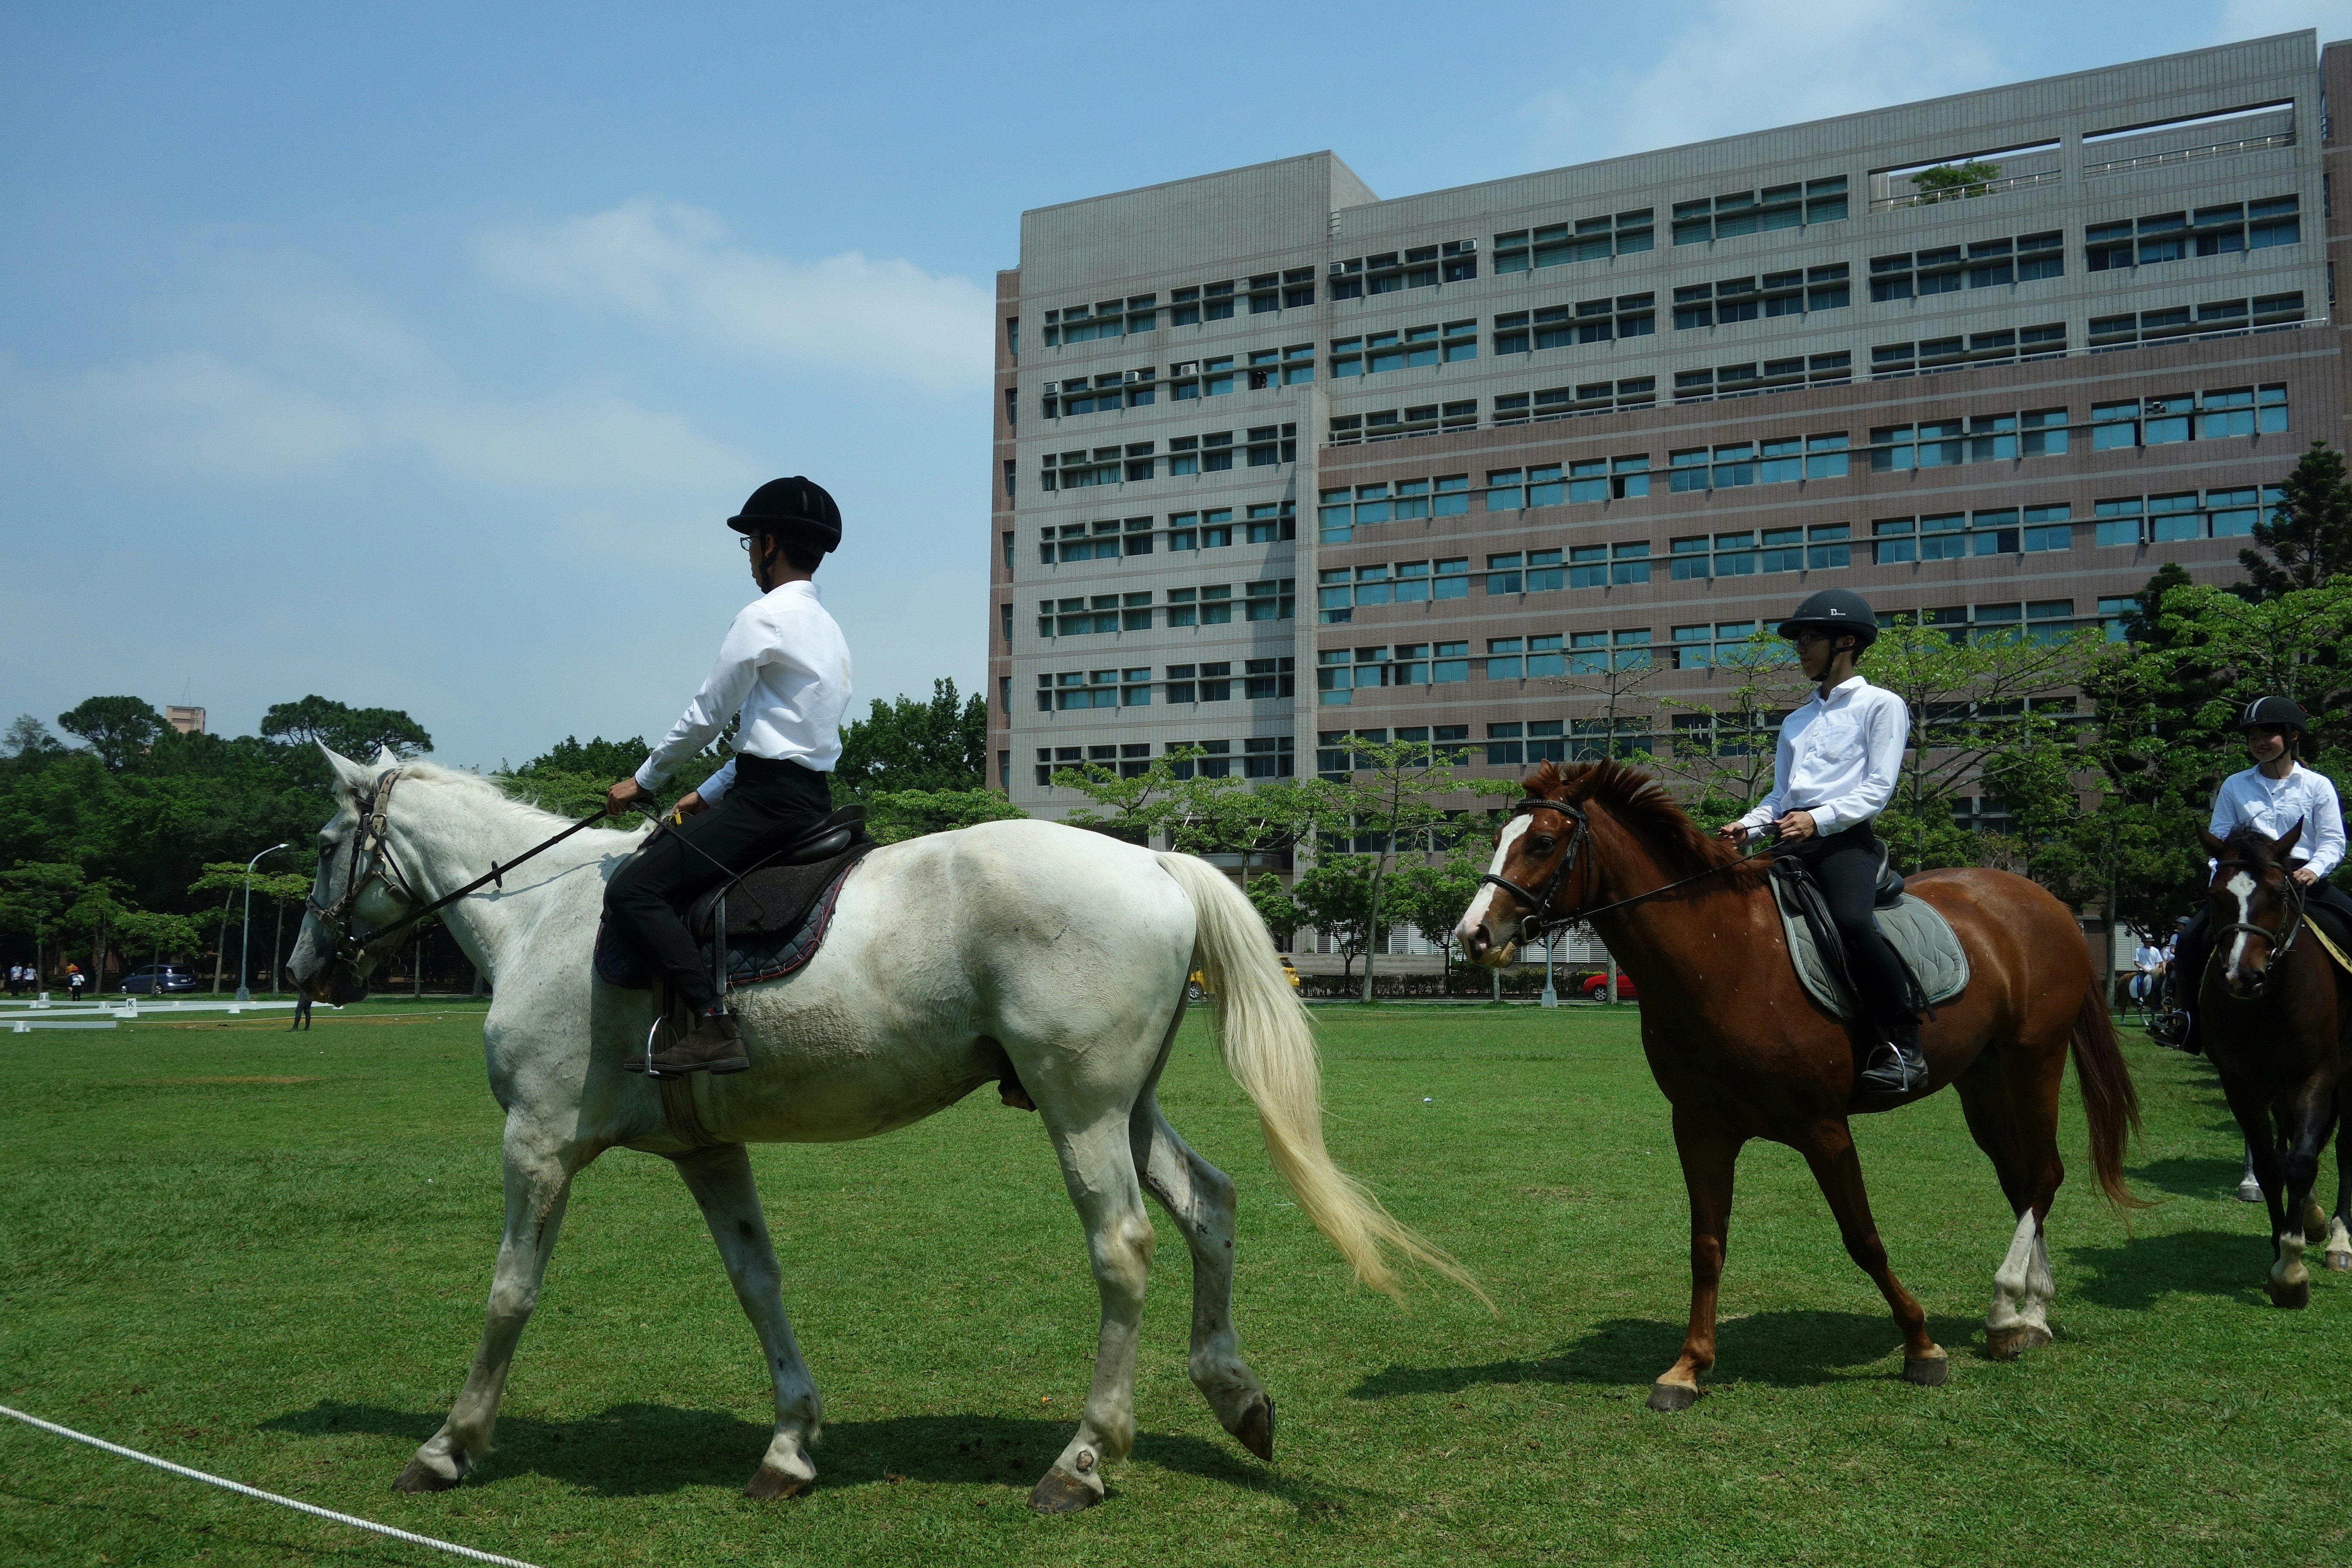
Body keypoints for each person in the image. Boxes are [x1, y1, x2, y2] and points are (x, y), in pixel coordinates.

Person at [603, 477, 852, 1078]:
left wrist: (646, 779)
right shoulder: (829, 629)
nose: (748, 558)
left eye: (750, 545)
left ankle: (713, 1026)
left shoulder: (762, 617)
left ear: (768, 544)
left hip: (768, 804)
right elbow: (779, 739)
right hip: (807, 799)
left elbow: (708, 714)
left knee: (632, 890)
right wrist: (706, 794)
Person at [1716, 588, 1922, 1096]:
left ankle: (1905, 1042)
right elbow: (1783, 795)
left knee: (1853, 922)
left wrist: (1819, 820)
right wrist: (1750, 824)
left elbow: (1878, 789)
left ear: (1846, 641)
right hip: (1789, 839)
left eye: (1809, 639)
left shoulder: (1882, 706)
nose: (1799, 649)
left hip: (1844, 841)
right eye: (1800, 640)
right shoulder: (1796, 720)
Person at [2170, 695, 2351, 1057]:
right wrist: (2221, 881)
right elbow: (2220, 839)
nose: (2259, 741)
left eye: (2268, 733)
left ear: (2292, 736)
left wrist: (2313, 870)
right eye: (2253, 736)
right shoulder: (2235, 785)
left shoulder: (2317, 785)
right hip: (2247, 883)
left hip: (2301, 879)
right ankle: (2187, 1020)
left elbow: (2333, 840)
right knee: (2190, 937)